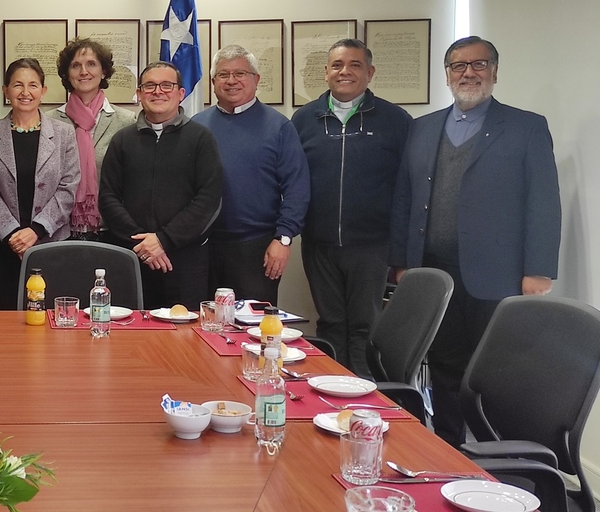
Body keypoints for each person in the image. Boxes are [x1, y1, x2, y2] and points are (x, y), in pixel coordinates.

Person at [390, 35, 560, 445]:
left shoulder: (526, 127)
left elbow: (544, 200)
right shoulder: (423, 128)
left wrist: (538, 270)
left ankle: (497, 454)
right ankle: (449, 446)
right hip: (434, 271)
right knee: (444, 366)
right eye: (458, 66)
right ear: (447, 74)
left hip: (497, 274)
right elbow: (405, 197)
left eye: (479, 64)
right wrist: (402, 261)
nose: (469, 72)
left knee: (495, 371)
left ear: (495, 72)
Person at [292, 39, 411, 376]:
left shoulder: (395, 120)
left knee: (365, 325)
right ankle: (331, 390)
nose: (345, 72)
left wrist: (402, 249)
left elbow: (409, 187)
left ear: (370, 73)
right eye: (337, 65)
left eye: (355, 65)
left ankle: (361, 399)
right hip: (319, 243)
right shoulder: (304, 119)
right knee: (330, 323)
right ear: (326, 72)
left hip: (372, 244)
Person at [98, 62, 224, 309]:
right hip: (132, 257)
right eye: (150, 86)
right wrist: (144, 245)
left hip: (185, 261)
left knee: (184, 340)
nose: (158, 91)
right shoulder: (122, 140)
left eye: (167, 85)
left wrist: (163, 241)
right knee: (130, 336)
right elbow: (109, 197)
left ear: (181, 94)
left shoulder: (201, 139)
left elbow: (208, 200)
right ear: (139, 93)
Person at [193, 45, 309, 304]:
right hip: (202, 248)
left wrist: (284, 239)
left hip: (257, 248)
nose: (231, 81)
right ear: (213, 82)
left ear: (256, 79)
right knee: (204, 326)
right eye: (223, 74)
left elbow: (297, 188)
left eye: (240, 73)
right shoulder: (197, 126)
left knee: (253, 331)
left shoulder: (279, 126)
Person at [0, 59, 81, 309]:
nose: (25, 93)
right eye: (17, 85)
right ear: (5, 90)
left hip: (50, 244)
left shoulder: (64, 133)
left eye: (33, 85)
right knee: (5, 327)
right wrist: (14, 235)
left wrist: (36, 230)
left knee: (51, 324)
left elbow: (68, 188)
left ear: (43, 91)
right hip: (3, 248)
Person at [49, 38, 136, 241]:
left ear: (103, 71)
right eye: (75, 65)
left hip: (111, 231)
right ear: (66, 74)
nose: (83, 71)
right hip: (60, 231)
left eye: (91, 64)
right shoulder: (50, 121)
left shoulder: (125, 121)